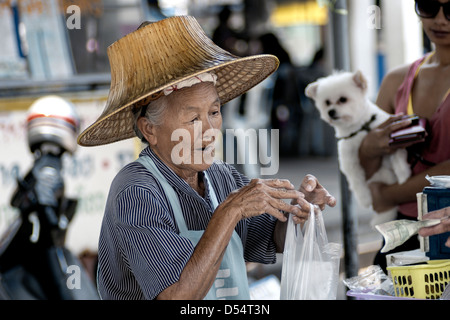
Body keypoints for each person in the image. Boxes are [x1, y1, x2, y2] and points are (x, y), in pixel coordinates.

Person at [77, 16, 336, 300]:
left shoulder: (220, 176)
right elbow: (178, 297)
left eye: (214, 112)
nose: (210, 131)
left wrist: (301, 213)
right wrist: (229, 212)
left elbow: (271, 235)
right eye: (192, 118)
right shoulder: (136, 191)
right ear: (149, 130)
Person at [358, 0, 450, 270]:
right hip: (402, 234)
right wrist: (370, 148)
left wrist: (390, 194)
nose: (440, 19)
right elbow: (370, 169)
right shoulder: (396, 80)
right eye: (429, 6)